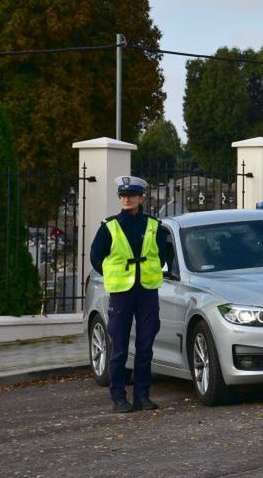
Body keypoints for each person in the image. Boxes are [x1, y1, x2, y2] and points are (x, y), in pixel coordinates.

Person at [90, 176, 168, 413]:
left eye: (131, 195)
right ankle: (118, 398)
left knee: (145, 346)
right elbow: (96, 257)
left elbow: (164, 254)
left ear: (141, 198)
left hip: (147, 292)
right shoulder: (109, 226)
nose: (126, 199)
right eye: (123, 196)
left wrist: (149, 270)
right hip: (121, 293)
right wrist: (114, 274)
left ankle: (142, 396)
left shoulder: (153, 225)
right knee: (120, 347)